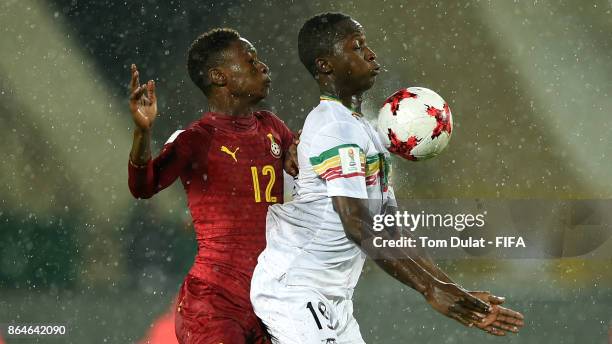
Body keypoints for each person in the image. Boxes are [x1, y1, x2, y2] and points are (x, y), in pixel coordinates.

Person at [250, 12, 524, 343]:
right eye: (356, 46)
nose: (370, 54)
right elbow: (355, 221)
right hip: (295, 289)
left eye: (366, 44)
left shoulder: (363, 129)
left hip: (332, 297)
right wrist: (429, 288)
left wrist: (450, 288)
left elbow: (390, 227)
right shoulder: (334, 127)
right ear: (325, 66)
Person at [127, 28, 297, 344]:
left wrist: (301, 150)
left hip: (269, 301)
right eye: (250, 61)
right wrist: (142, 133)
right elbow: (143, 185)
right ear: (220, 76)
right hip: (215, 303)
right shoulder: (197, 139)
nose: (263, 67)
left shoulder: (273, 128)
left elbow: (302, 169)